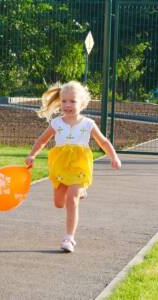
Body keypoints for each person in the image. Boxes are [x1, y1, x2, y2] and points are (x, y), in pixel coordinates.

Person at [24, 81, 121, 253]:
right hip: (60, 165)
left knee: (71, 199)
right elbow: (42, 140)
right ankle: (80, 191)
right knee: (59, 203)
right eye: (64, 101)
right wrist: (32, 155)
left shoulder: (88, 124)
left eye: (73, 101)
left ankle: (69, 238)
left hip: (79, 165)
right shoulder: (56, 123)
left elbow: (104, 142)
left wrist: (114, 157)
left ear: (82, 103)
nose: (67, 105)